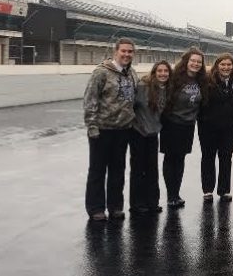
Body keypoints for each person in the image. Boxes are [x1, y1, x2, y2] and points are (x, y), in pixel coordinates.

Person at [83, 37, 138, 222]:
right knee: (97, 171)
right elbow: (90, 100)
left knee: (118, 171)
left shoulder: (132, 74)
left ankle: (115, 206)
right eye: (124, 51)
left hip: (123, 130)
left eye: (130, 51)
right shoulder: (101, 73)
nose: (127, 54)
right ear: (116, 51)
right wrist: (92, 127)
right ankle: (95, 208)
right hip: (102, 130)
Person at [161, 47, 205, 208]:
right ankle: (170, 195)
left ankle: (176, 193)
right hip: (172, 124)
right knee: (170, 158)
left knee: (180, 159)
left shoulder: (200, 80)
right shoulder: (175, 78)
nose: (195, 64)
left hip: (188, 125)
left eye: (199, 62)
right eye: (193, 61)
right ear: (186, 61)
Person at [197, 53, 233, 202]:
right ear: (217, 66)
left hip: (229, 128)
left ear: (232, 67)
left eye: (229, 65)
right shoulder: (207, 81)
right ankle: (208, 190)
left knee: (226, 158)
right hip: (208, 127)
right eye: (223, 64)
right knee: (208, 157)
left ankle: (224, 190)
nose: (226, 67)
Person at [129, 60, 171, 215]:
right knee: (138, 169)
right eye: (160, 71)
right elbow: (130, 105)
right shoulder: (143, 87)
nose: (163, 74)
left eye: (166, 71)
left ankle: (153, 201)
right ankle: (137, 203)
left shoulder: (167, 89)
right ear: (154, 72)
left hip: (153, 133)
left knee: (152, 169)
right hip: (138, 133)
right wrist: (134, 123)